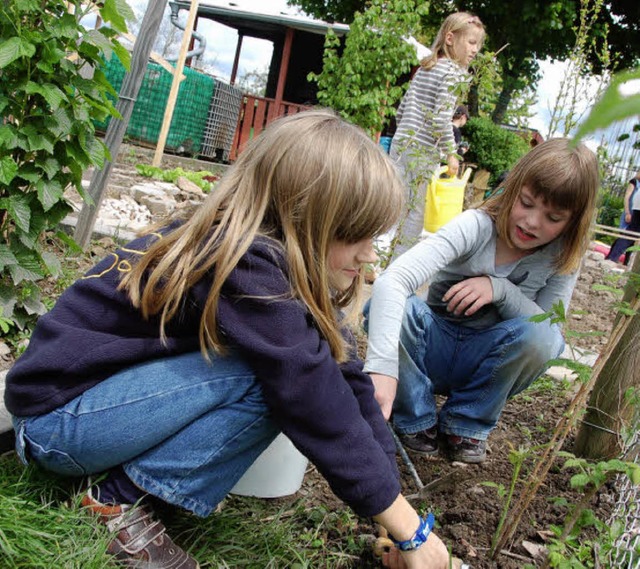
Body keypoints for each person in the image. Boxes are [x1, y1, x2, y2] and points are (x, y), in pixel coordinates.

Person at [4, 110, 455, 569]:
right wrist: (408, 529)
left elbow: (348, 382)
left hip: (94, 408)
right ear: (301, 216)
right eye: (354, 234)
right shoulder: (244, 262)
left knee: (291, 370)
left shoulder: (276, 262)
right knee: (270, 380)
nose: (368, 253)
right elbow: (313, 397)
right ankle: (115, 501)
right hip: (55, 422)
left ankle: (132, 488)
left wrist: (396, 518)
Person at [364, 138, 599, 464]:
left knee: (544, 336)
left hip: (487, 363)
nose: (532, 222)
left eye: (553, 217)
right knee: (389, 307)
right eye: (527, 203)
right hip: (433, 346)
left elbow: (550, 329)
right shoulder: (475, 226)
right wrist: (383, 369)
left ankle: (465, 424)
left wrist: (499, 289)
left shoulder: (562, 257)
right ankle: (414, 417)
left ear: (573, 222)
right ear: (512, 188)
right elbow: (393, 280)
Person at [389, 12, 485, 260]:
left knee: (392, 202)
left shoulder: (426, 67)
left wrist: (406, 133)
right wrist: (451, 152)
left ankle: (374, 257)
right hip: (421, 150)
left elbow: (401, 111)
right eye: (472, 42)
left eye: (479, 45)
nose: (476, 50)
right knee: (413, 212)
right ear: (451, 38)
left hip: (402, 142)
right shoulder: (452, 73)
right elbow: (442, 118)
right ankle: (397, 265)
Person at [605, 170, 640, 265]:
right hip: (633, 210)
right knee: (629, 235)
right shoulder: (634, 182)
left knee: (632, 237)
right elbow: (627, 197)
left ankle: (624, 261)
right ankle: (612, 258)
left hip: (636, 207)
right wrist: (628, 212)